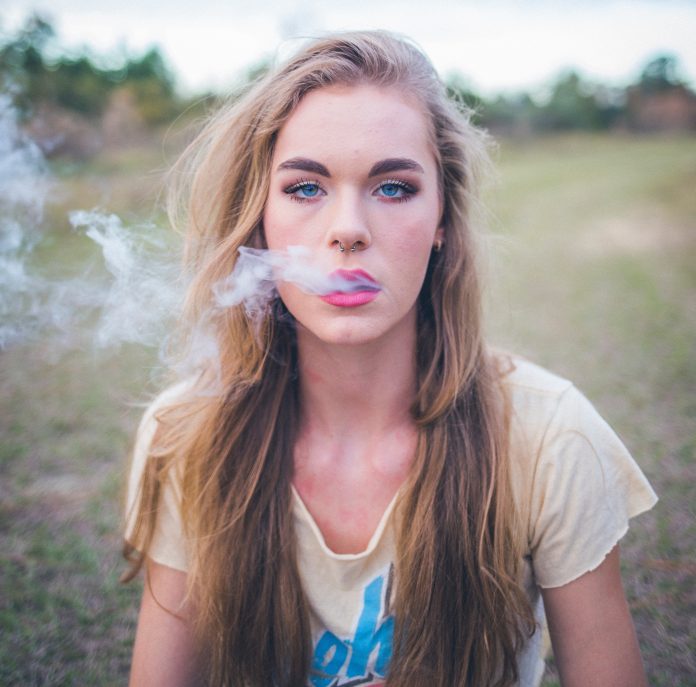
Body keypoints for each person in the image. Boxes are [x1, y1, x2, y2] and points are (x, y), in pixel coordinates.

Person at [122, 31, 657, 687]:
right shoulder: (187, 437)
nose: (347, 229)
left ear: (441, 220)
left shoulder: (551, 437)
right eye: (306, 188)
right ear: (259, 217)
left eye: (394, 187)